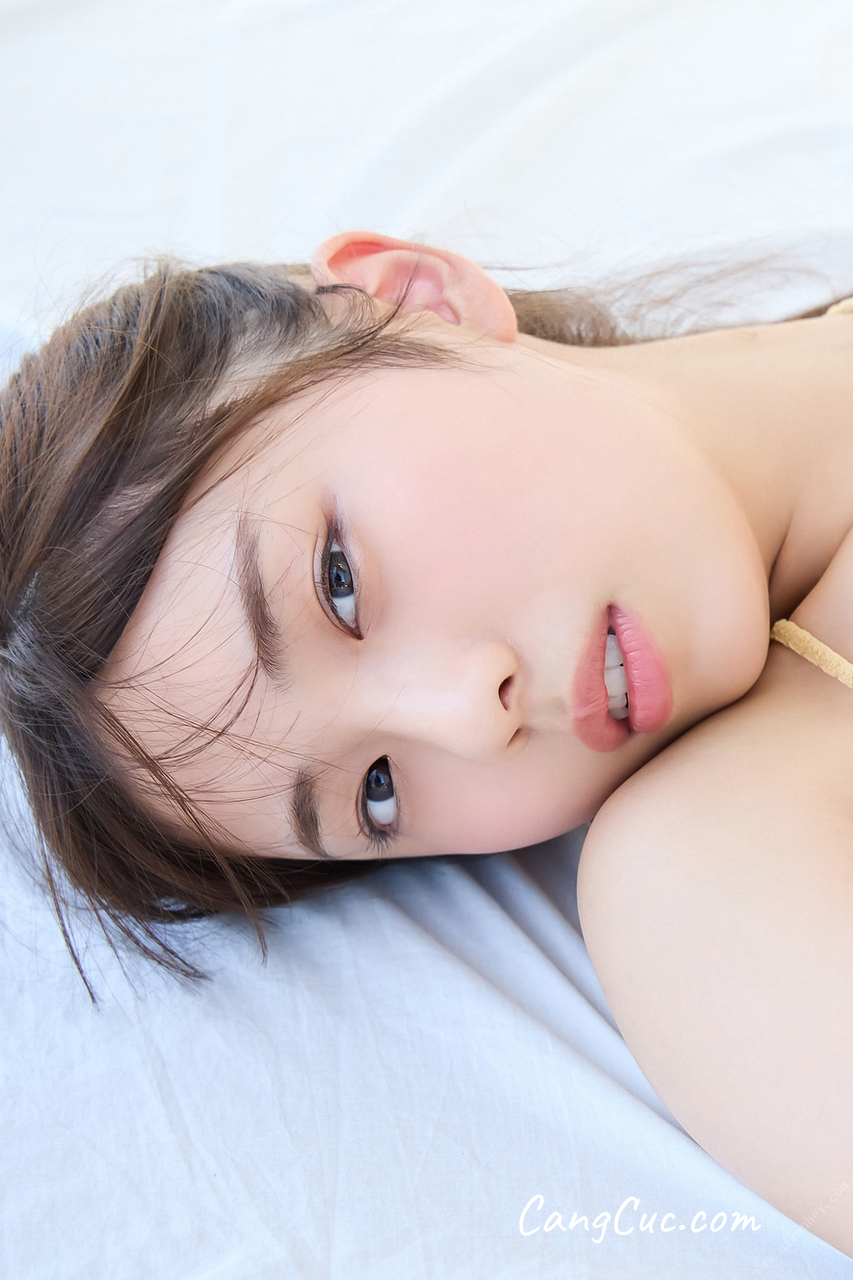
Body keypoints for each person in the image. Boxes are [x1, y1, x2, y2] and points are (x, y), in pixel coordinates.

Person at [1, 231, 852, 1255]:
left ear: (410, 295)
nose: (470, 718)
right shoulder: (711, 866)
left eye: (338, 585)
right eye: (376, 791)